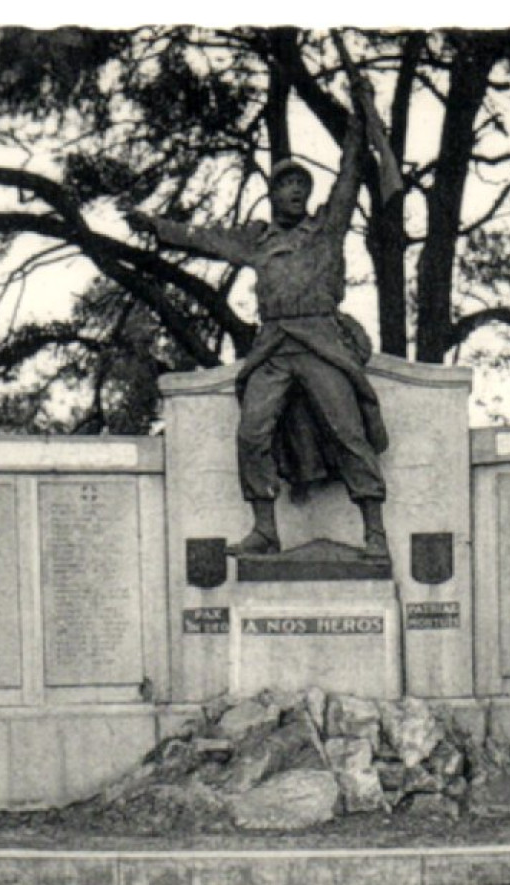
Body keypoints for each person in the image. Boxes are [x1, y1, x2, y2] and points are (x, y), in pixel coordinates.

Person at [127, 85, 393, 560]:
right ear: (271, 195)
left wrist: (358, 121)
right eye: (286, 185)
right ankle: (265, 530)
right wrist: (157, 228)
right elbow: (204, 239)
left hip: (319, 339)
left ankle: (375, 533)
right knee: (252, 433)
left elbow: (352, 174)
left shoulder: (327, 227)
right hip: (272, 344)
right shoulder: (258, 240)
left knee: (348, 431)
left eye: (301, 186)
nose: (294, 191)